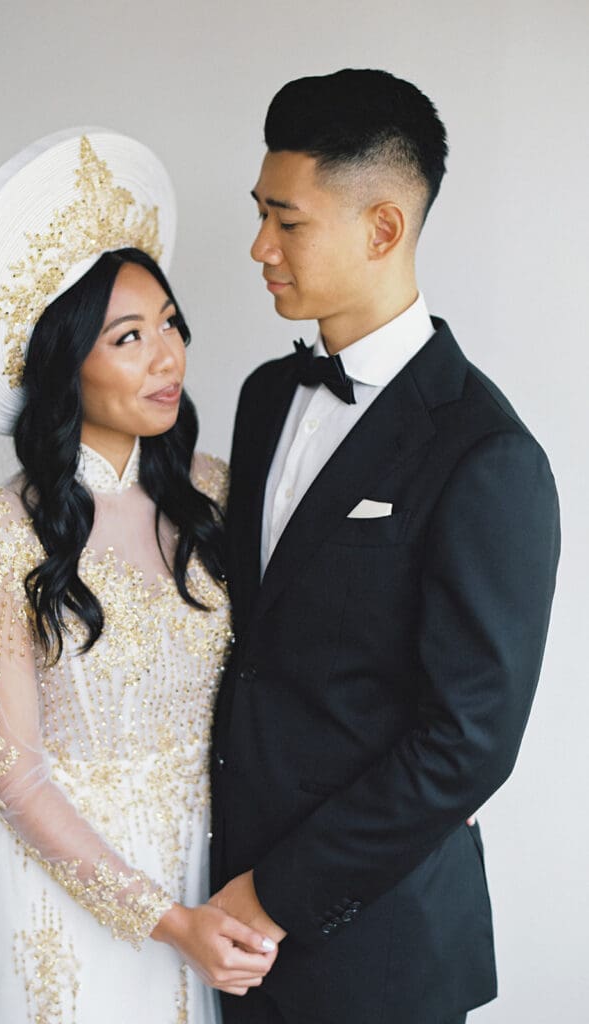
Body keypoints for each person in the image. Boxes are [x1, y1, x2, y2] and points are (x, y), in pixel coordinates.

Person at [0, 130, 275, 1024]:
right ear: (67, 363)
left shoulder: (213, 492)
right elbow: (14, 777)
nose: (167, 355)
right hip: (72, 886)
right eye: (128, 337)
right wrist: (162, 919)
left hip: (216, 863)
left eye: (170, 325)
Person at [209, 69, 560, 1024]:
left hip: (377, 946)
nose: (259, 248)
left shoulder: (486, 455)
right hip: (222, 919)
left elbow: (468, 742)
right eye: (259, 216)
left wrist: (276, 893)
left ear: (381, 229)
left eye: (287, 222)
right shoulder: (263, 398)